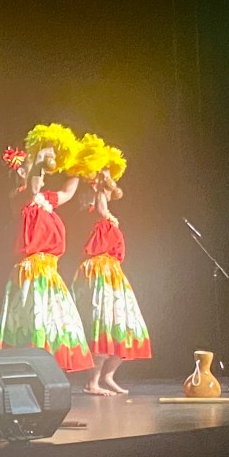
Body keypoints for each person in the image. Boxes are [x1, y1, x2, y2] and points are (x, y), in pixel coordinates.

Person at [0, 135, 93, 373]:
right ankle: (29, 371)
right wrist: (39, 157)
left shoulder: (46, 200)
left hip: (50, 272)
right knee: (35, 322)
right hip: (32, 272)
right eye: (35, 168)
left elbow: (68, 192)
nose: (44, 172)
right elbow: (33, 186)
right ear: (21, 172)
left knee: (56, 323)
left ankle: (48, 373)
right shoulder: (20, 196)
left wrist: (78, 167)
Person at [71, 168, 152, 395]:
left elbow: (116, 193)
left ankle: (108, 376)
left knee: (125, 327)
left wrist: (107, 181)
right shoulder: (94, 213)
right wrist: (100, 180)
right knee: (103, 325)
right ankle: (92, 382)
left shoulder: (106, 213)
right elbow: (103, 204)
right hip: (99, 272)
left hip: (113, 273)